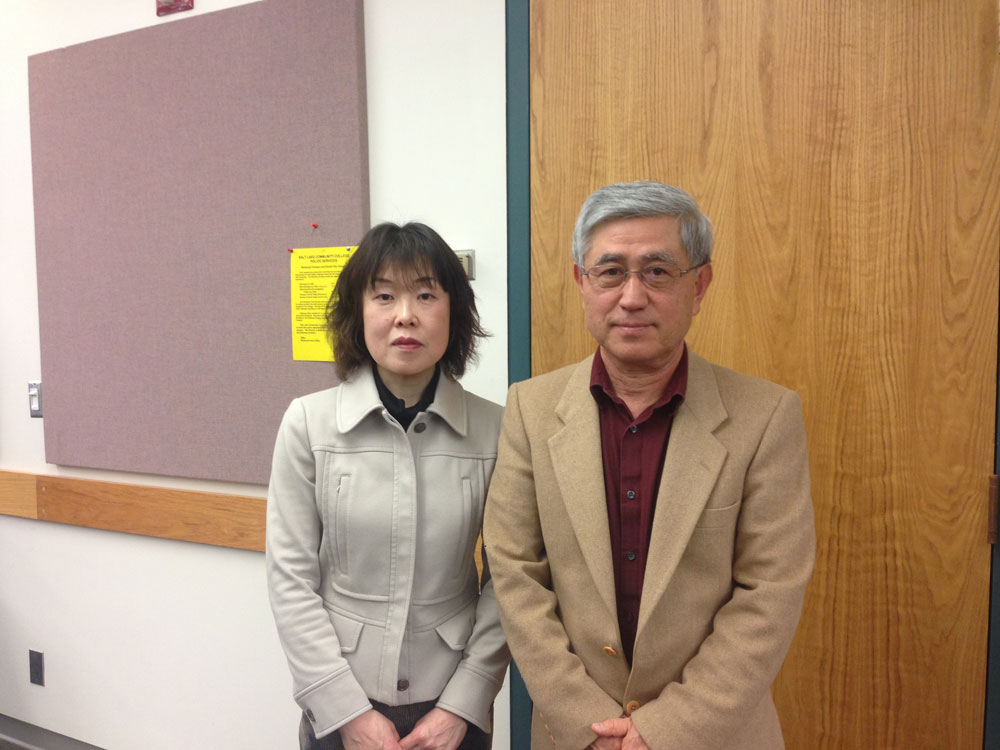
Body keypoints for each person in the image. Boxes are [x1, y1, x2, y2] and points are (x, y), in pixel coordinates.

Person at [483, 181, 815, 750]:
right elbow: (516, 574)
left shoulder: (766, 417)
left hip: (716, 735)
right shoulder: (531, 410)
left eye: (658, 271)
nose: (632, 296)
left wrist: (661, 732)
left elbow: (769, 592)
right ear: (580, 282)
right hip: (574, 737)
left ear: (700, 285)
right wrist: (588, 723)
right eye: (610, 272)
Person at [267, 222, 510, 750]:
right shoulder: (308, 424)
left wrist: (462, 705)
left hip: (452, 704)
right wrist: (345, 711)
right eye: (384, 295)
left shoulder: (498, 430)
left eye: (426, 294)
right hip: (341, 699)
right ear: (359, 314)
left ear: (454, 311)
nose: (406, 314)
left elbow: (507, 584)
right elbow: (290, 579)